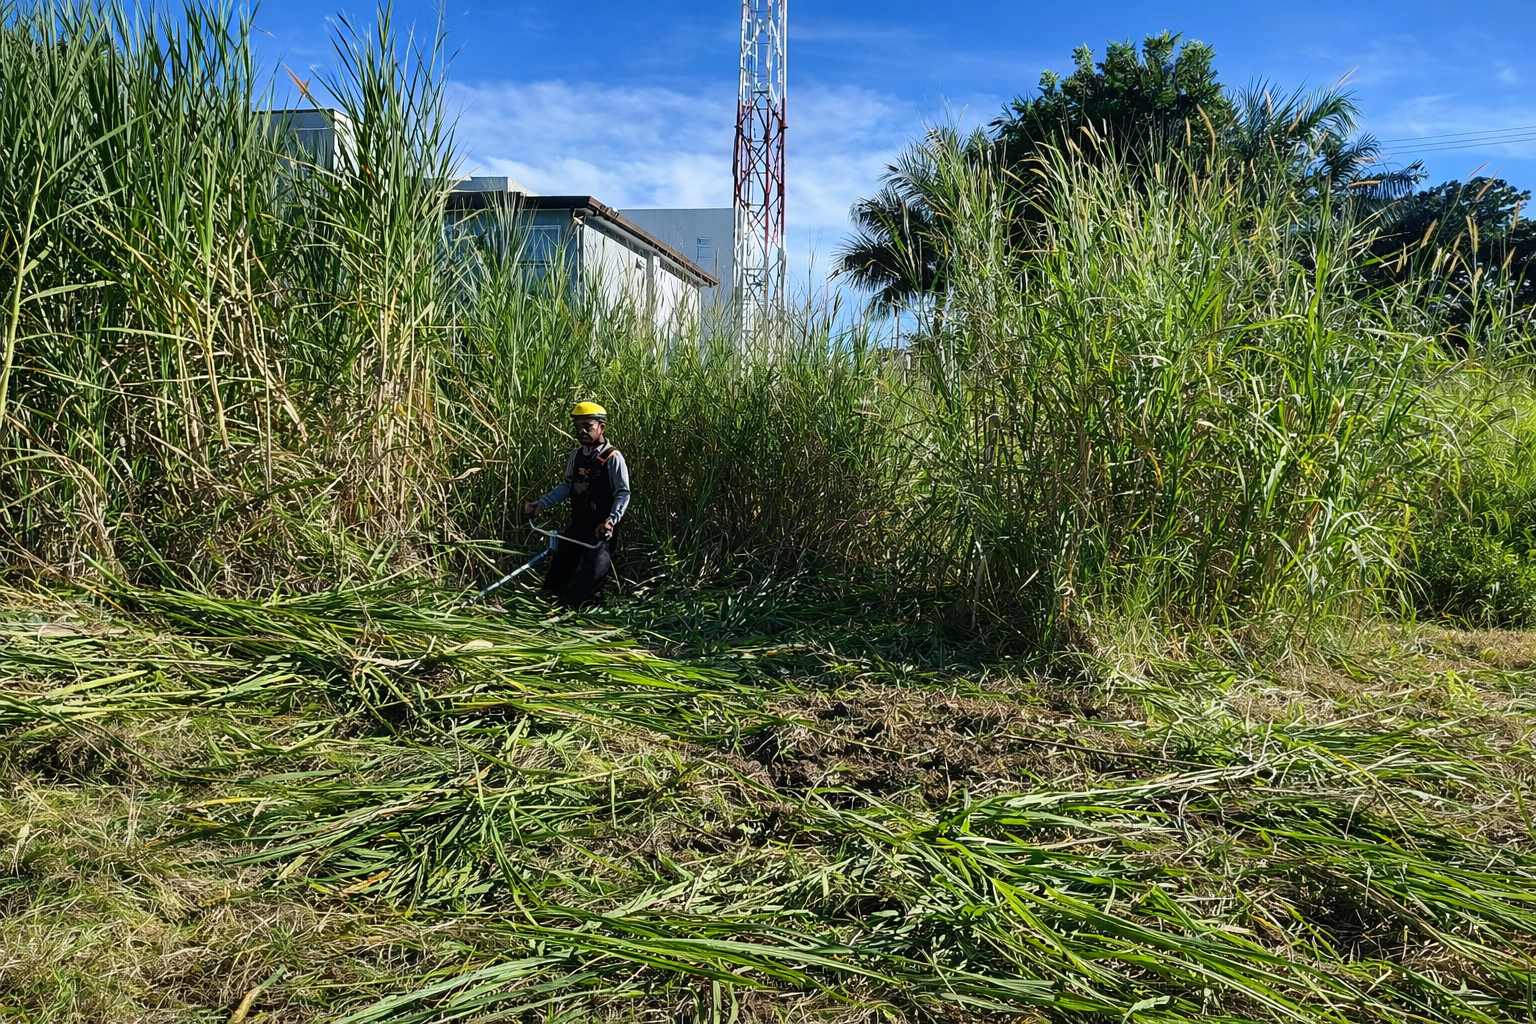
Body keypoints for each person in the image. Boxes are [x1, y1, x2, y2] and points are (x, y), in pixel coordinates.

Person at [522, 402, 630, 607]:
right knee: (554, 583)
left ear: (601, 427)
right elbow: (567, 486)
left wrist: (611, 521)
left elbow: (623, 493)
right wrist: (541, 504)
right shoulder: (576, 455)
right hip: (577, 526)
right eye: (578, 426)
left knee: (587, 594)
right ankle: (548, 613)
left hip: (600, 532)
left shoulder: (613, 458)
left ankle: (589, 620)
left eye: (587, 426)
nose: (582, 431)